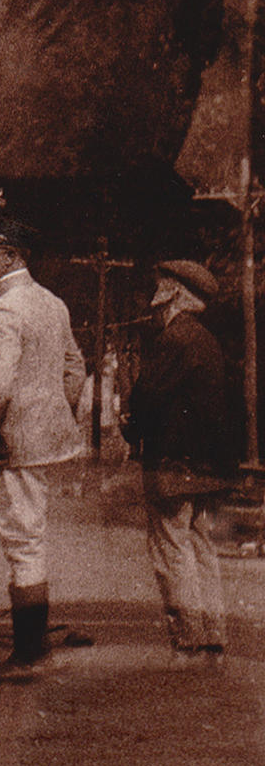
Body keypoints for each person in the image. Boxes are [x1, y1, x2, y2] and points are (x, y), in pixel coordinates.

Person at [0, 223, 86, 680]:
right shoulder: (52, 302)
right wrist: (57, 412)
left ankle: (29, 654)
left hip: (15, 442)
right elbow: (74, 367)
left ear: (11, 256)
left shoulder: (6, 309)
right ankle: (33, 646)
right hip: (50, 441)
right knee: (32, 537)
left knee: (22, 543)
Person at [124, 259, 235, 657]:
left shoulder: (174, 338)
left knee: (171, 547)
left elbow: (146, 396)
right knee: (201, 546)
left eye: (162, 283)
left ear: (174, 292)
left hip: (173, 464)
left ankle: (188, 634)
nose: (156, 289)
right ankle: (213, 632)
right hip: (209, 466)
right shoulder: (206, 339)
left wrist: (129, 427)